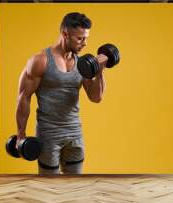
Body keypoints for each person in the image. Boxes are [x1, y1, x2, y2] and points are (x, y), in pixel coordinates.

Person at [16, 12, 107, 174]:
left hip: (75, 133)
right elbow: (24, 97)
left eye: (86, 38)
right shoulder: (40, 61)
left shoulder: (82, 64)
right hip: (48, 134)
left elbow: (96, 97)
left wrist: (100, 72)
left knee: (75, 184)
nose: (85, 43)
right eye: (80, 38)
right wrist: (21, 133)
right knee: (49, 187)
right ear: (65, 34)